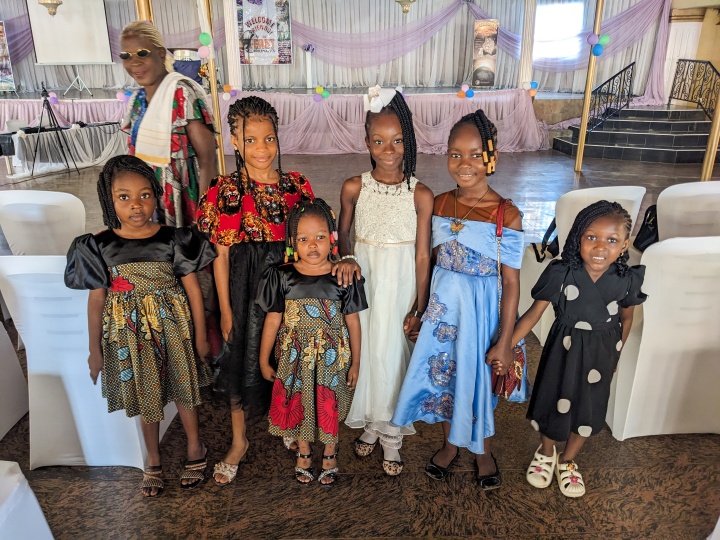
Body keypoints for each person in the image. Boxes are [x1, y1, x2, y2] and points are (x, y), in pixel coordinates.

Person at [64, 155, 216, 497]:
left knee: (182, 388)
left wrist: (202, 337)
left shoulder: (174, 238)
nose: (136, 205)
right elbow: (96, 300)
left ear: (156, 196)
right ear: (109, 199)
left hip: (173, 328)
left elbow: (192, 289)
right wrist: (94, 350)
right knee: (146, 393)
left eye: (145, 195)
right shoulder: (98, 245)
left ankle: (196, 447)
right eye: (124, 197)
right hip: (129, 335)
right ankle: (152, 457)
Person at [391, 110, 523, 490]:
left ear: (491, 156)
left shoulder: (505, 214)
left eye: (474, 154)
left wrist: (506, 339)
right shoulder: (442, 203)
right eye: (454, 154)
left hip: (481, 317)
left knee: (476, 378)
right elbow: (429, 264)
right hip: (443, 313)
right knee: (446, 376)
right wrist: (419, 312)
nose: (464, 164)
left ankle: (482, 449)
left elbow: (511, 283)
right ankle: (450, 444)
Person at [196, 96, 315, 485]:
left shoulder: (296, 187)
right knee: (240, 365)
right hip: (245, 295)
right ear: (233, 140)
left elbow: (306, 247)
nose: (261, 149)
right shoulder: (224, 191)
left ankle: (291, 425)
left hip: (289, 293)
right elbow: (220, 257)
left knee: (290, 360)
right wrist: (227, 312)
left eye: (268, 139)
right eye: (250, 140)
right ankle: (239, 439)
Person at [510, 200, 646, 498]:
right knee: (553, 399)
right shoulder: (561, 273)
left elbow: (627, 318)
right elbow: (533, 314)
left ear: (624, 246)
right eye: (591, 237)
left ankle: (568, 460)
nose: (600, 247)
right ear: (577, 239)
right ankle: (546, 452)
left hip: (601, 354)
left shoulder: (626, 280)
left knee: (588, 406)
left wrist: (616, 355)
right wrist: (506, 345)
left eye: (611, 240)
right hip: (563, 350)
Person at [337, 86, 434, 476]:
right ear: (367, 142)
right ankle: (373, 424)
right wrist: (346, 257)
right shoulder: (354, 187)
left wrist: (420, 306)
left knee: (394, 355)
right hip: (367, 280)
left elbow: (423, 253)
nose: (388, 149)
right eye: (378, 141)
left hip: (401, 284)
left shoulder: (420, 194)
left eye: (396, 141)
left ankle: (392, 434)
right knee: (370, 352)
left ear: (407, 141)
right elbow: (343, 235)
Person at [256, 199, 367, 486]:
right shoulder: (281, 275)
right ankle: (304, 450)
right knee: (301, 401)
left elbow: (353, 321)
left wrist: (356, 362)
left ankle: (331, 450)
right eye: (304, 239)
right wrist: (263, 358)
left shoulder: (343, 276)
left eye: (320, 237)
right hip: (294, 357)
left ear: (331, 239)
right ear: (293, 242)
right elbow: (273, 319)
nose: (313, 245)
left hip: (333, 357)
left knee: (329, 403)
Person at [120, 21, 217, 228]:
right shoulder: (137, 100)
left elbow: (208, 160)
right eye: (126, 56)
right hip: (145, 203)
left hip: (183, 205)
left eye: (142, 53)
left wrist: (205, 217)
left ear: (161, 54)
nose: (134, 62)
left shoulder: (182, 93)